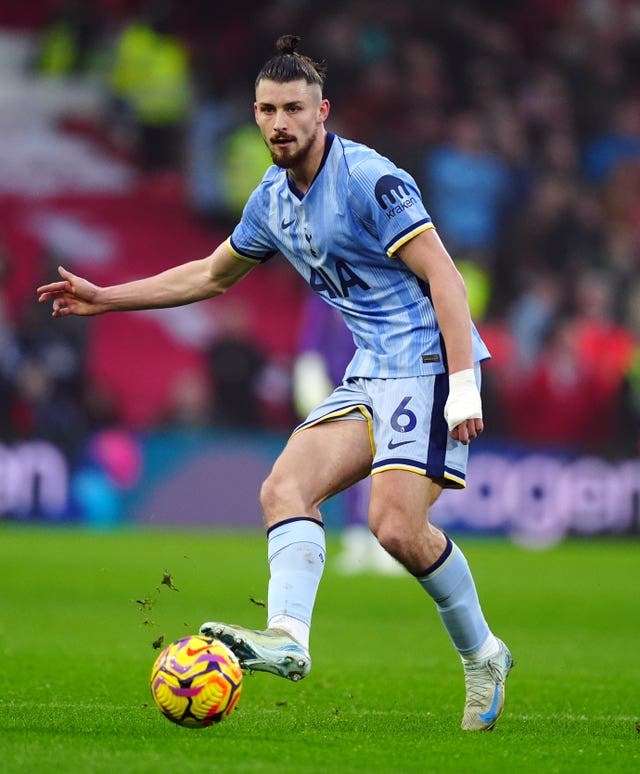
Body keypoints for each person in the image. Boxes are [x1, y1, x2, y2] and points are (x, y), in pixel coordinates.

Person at [37, 34, 512, 731]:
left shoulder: (370, 180)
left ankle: (483, 655)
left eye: (294, 108)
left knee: (395, 527)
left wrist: (465, 387)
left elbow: (444, 274)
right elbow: (209, 274)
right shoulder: (271, 199)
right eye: (267, 110)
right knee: (283, 488)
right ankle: (289, 637)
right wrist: (107, 297)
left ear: (324, 110)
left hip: (432, 364)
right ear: (254, 115)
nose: (280, 123)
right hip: (371, 370)